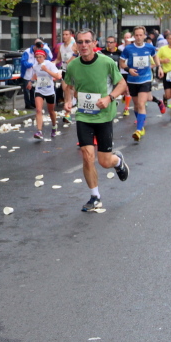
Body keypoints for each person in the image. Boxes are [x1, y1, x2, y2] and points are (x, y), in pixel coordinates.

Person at [64, 28, 129, 212]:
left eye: (87, 41)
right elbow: (68, 85)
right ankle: (95, 197)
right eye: (80, 42)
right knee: (87, 156)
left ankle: (117, 161)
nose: (83, 45)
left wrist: (109, 98)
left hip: (104, 115)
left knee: (104, 162)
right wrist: (68, 101)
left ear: (94, 43)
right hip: (84, 115)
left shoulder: (106, 62)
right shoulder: (73, 66)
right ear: (76, 45)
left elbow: (122, 84)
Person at [119, 25, 164, 141]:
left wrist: (159, 67)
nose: (139, 37)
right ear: (134, 36)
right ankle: (141, 124)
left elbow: (155, 56)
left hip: (146, 79)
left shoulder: (149, 47)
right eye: (136, 35)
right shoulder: (128, 49)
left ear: (144, 36)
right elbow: (121, 63)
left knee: (141, 104)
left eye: (141, 35)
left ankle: (139, 130)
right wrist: (129, 69)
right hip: (132, 80)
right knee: (136, 105)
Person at [28, 49, 62, 138]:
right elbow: (36, 74)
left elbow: (58, 76)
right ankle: (39, 131)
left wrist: (46, 70)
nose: (38, 59)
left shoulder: (49, 64)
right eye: (36, 57)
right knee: (38, 110)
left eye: (40, 57)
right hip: (39, 90)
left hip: (49, 91)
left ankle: (54, 126)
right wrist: (30, 82)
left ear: (44, 57)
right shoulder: (35, 66)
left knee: (51, 111)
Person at [20, 39, 52, 110]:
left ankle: (33, 103)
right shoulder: (27, 52)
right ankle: (28, 105)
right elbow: (23, 62)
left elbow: (48, 58)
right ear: (35, 46)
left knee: (34, 89)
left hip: (36, 75)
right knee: (27, 91)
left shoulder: (41, 51)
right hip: (27, 74)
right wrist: (31, 65)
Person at [117, 32, 134, 116]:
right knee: (122, 91)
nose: (127, 39)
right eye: (125, 37)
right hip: (121, 71)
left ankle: (126, 108)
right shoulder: (120, 48)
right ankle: (125, 96)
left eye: (128, 37)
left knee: (127, 90)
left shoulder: (133, 48)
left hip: (129, 71)